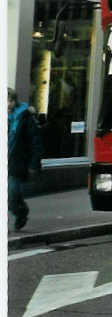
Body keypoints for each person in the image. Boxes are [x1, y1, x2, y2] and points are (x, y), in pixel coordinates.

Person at [8, 88, 43, 231]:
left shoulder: (24, 117)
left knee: (12, 195)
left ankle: (21, 212)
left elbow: (35, 142)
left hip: (16, 162)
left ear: (15, 101)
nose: (7, 104)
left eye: (10, 100)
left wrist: (34, 164)